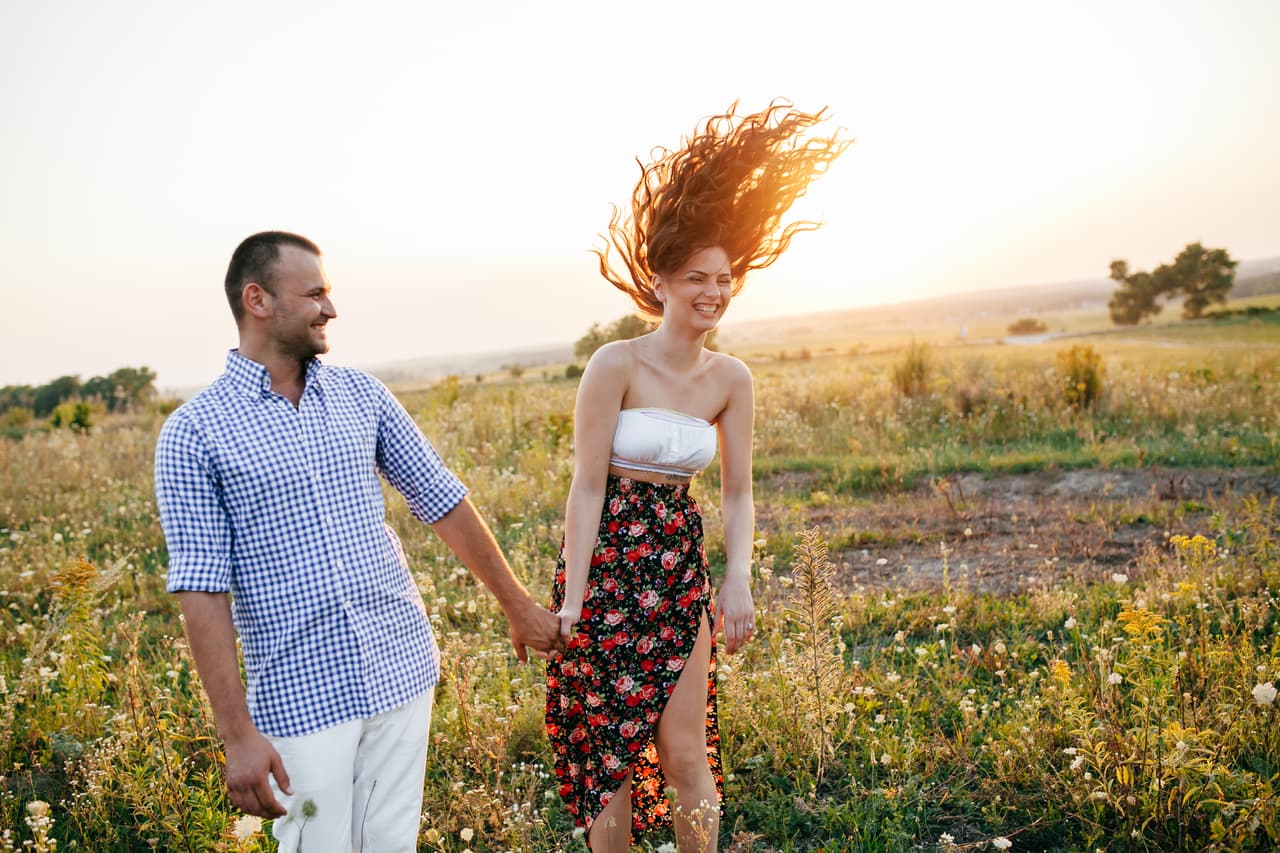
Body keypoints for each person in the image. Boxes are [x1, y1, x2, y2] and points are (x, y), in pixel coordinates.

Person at [153, 231, 562, 853]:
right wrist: (236, 734)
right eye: (314, 294)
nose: (331, 309)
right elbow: (201, 587)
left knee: (391, 845)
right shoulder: (193, 433)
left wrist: (517, 605)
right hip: (300, 693)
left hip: (401, 667)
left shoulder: (361, 395)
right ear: (257, 299)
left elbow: (442, 500)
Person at [545, 102, 850, 852]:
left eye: (726, 279)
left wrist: (737, 578)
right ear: (661, 282)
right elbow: (587, 487)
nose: (714, 293)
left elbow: (739, 493)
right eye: (697, 278)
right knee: (609, 759)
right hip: (607, 566)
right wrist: (575, 599)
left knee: (688, 755)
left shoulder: (732, 378)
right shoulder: (613, 364)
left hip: (677, 566)